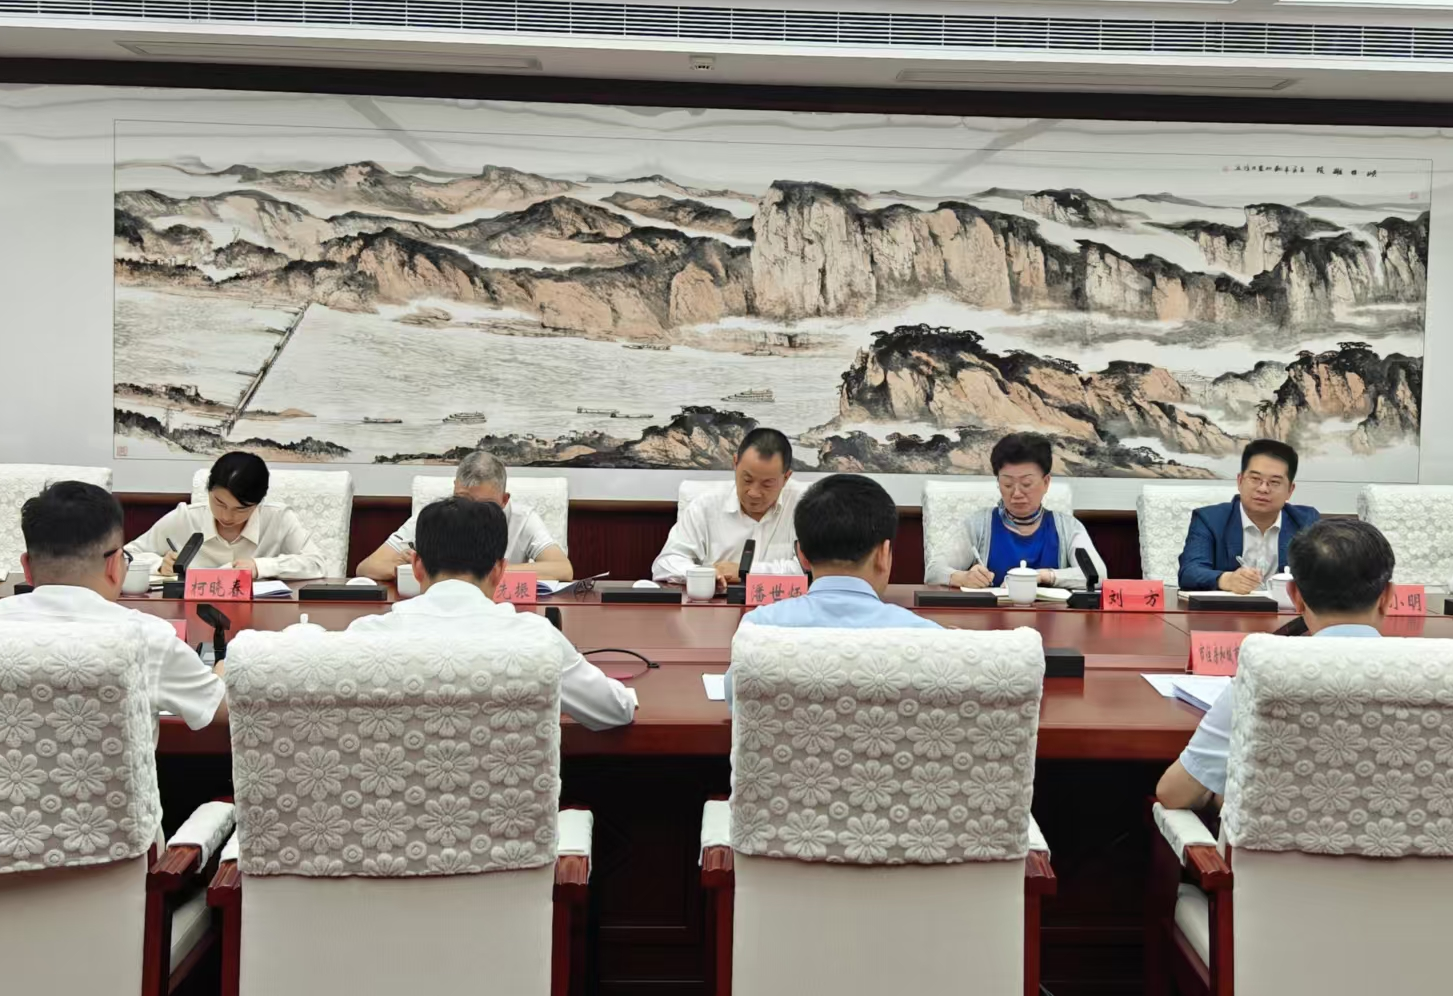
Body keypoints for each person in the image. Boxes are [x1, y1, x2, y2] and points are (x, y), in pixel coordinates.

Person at [1156, 518, 1395, 810]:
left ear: (1295, 596)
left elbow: (1173, 793)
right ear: (1387, 597)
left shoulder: (1264, 672)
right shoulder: (1435, 672)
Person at [347, 496, 634, 731]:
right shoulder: (537, 640)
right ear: (500, 571)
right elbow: (616, 710)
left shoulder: (364, 637)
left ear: (416, 566)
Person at [0, 482, 226, 741]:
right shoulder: (148, 637)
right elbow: (222, 709)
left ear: (27, 567)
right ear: (115, 566)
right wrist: (221, 671)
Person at [726, 474, 938, 705]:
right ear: (883, 554)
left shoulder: (758, 630)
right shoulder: (932, 640)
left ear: (802, 556)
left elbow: (734, 699)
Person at [923, 432, 1107, 590]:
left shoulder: (1068, 527)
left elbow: (1098, 575)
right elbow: (933, 571)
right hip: (992, 619)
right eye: (1007, 484)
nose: (1017, 493)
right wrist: (963, 578)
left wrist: (1043, 576)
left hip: (1052, 617)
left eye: (1026, 484)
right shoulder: (978, 525)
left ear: (1046, 483)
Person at [357, 449, 572, 583]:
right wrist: (410, 568)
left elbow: (562, 569)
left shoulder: (522, 519)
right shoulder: (437, 516)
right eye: (462, 499)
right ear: (454, 490)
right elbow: (367, 567)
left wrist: (485, 572)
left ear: (504, 500)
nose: (471, 512)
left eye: (484, 506)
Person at [126, 452, 326, 580]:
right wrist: (159, 565)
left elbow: (317, 563)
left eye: (240, 509)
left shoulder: (278, 519)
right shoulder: (184, 518)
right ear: (208, 490)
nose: (227, 516)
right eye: (219, 503)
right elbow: (125, 557)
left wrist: (261, 566)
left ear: (258, 503)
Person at [652, 428, 803, 586]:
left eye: (767, 484)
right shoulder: (706, 506)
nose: (754, 493)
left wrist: (746, 572)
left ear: (786, 478)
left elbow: (813, 567)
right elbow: (666, 563)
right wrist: (705, 574)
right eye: (747, 479)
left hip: (785, 601)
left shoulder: (804, 507)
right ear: (735, 463)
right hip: (718, 600)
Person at [1177, 439, 1319, 594]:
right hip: (1229, 608)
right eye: (1255, 479)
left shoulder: (1305, 522)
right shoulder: (1209, 519)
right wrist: (1226, 580)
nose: (1263, 489)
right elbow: (1189, 572)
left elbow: (1323, 575)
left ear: (1290, 490)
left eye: (1274, 482)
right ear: (1240, 481)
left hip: (1285, 608)